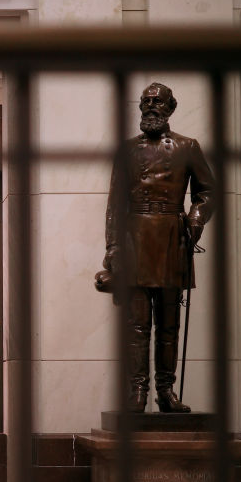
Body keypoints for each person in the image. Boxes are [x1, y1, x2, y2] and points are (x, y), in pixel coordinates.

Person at [96, 82, 215, 413]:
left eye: (157, 101)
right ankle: (137, 392)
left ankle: (166, 391)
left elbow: (207, 193)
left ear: (171, 107)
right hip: (134, 242)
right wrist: (114, 247)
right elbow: (114, 205)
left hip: (172, 242)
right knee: (136, 325)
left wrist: (195, 222)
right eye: (145, 101)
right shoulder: (126, 150)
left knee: (168, 325)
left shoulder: (188, 147)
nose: (150, 107)